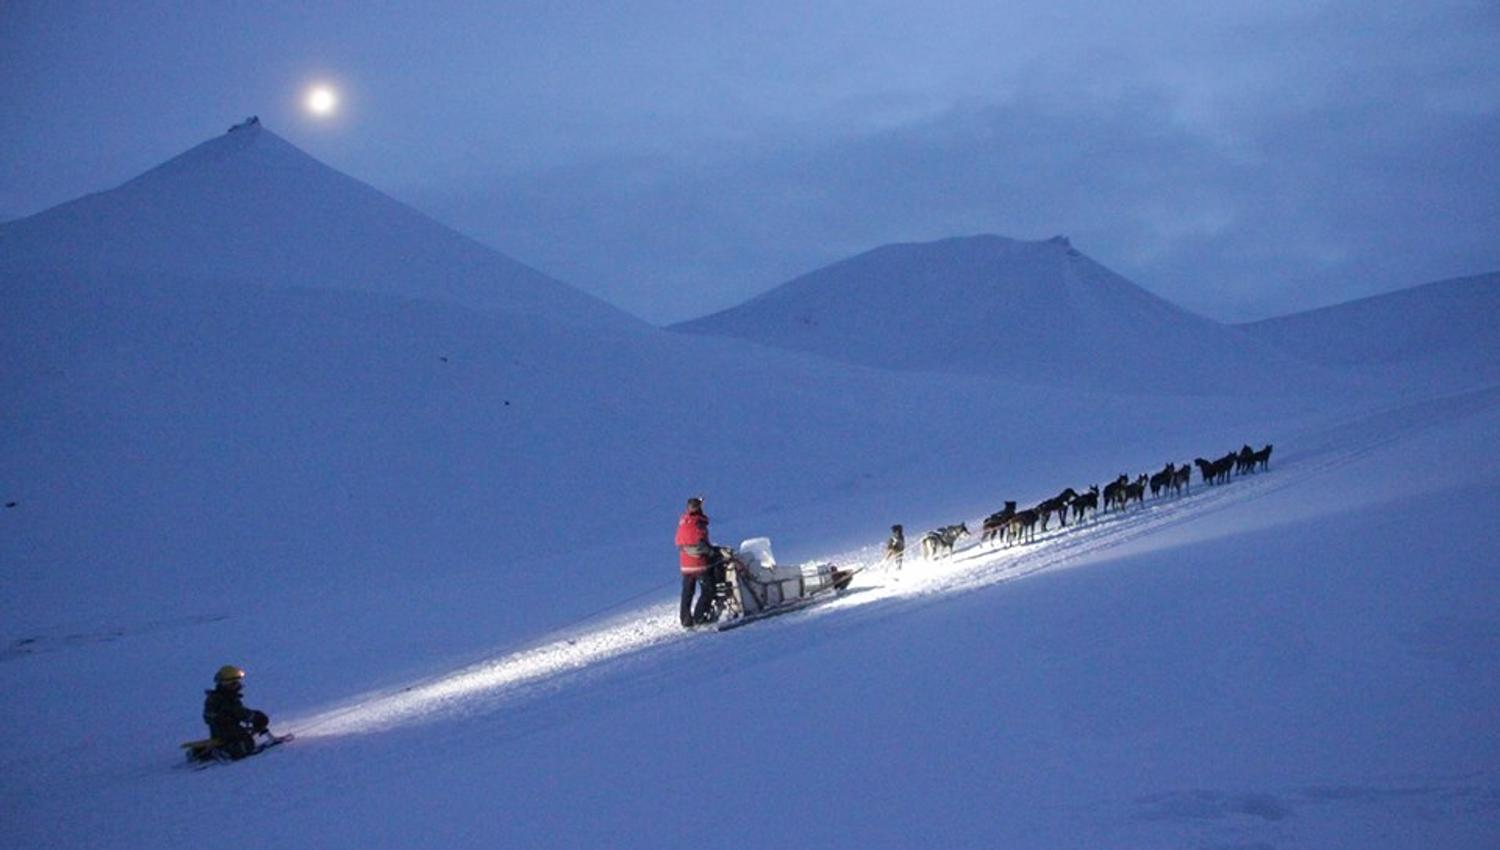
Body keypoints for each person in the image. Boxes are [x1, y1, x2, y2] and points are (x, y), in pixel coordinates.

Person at [202, 665, 270, 760]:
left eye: (237, 682)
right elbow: (238, 712)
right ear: (227, 683)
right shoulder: (223, 698)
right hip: (224, 729)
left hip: (224, 728)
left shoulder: (222, 696)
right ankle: (223, 751)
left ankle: (214, 750)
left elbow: (236, 712)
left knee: (248, 731)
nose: (238, 685)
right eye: (234, 683)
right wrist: (254, 716)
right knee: (247, 744)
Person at [675, 496, 720, 628]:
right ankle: (699, 617)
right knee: (709, 590)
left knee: (687, 592)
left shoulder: (683, 522)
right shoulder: (697, 523)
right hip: (698, 564)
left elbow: (679, 541)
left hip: (685, 564)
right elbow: (701, 544)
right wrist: (712, 552)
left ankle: (685, 620)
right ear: (698, 508)